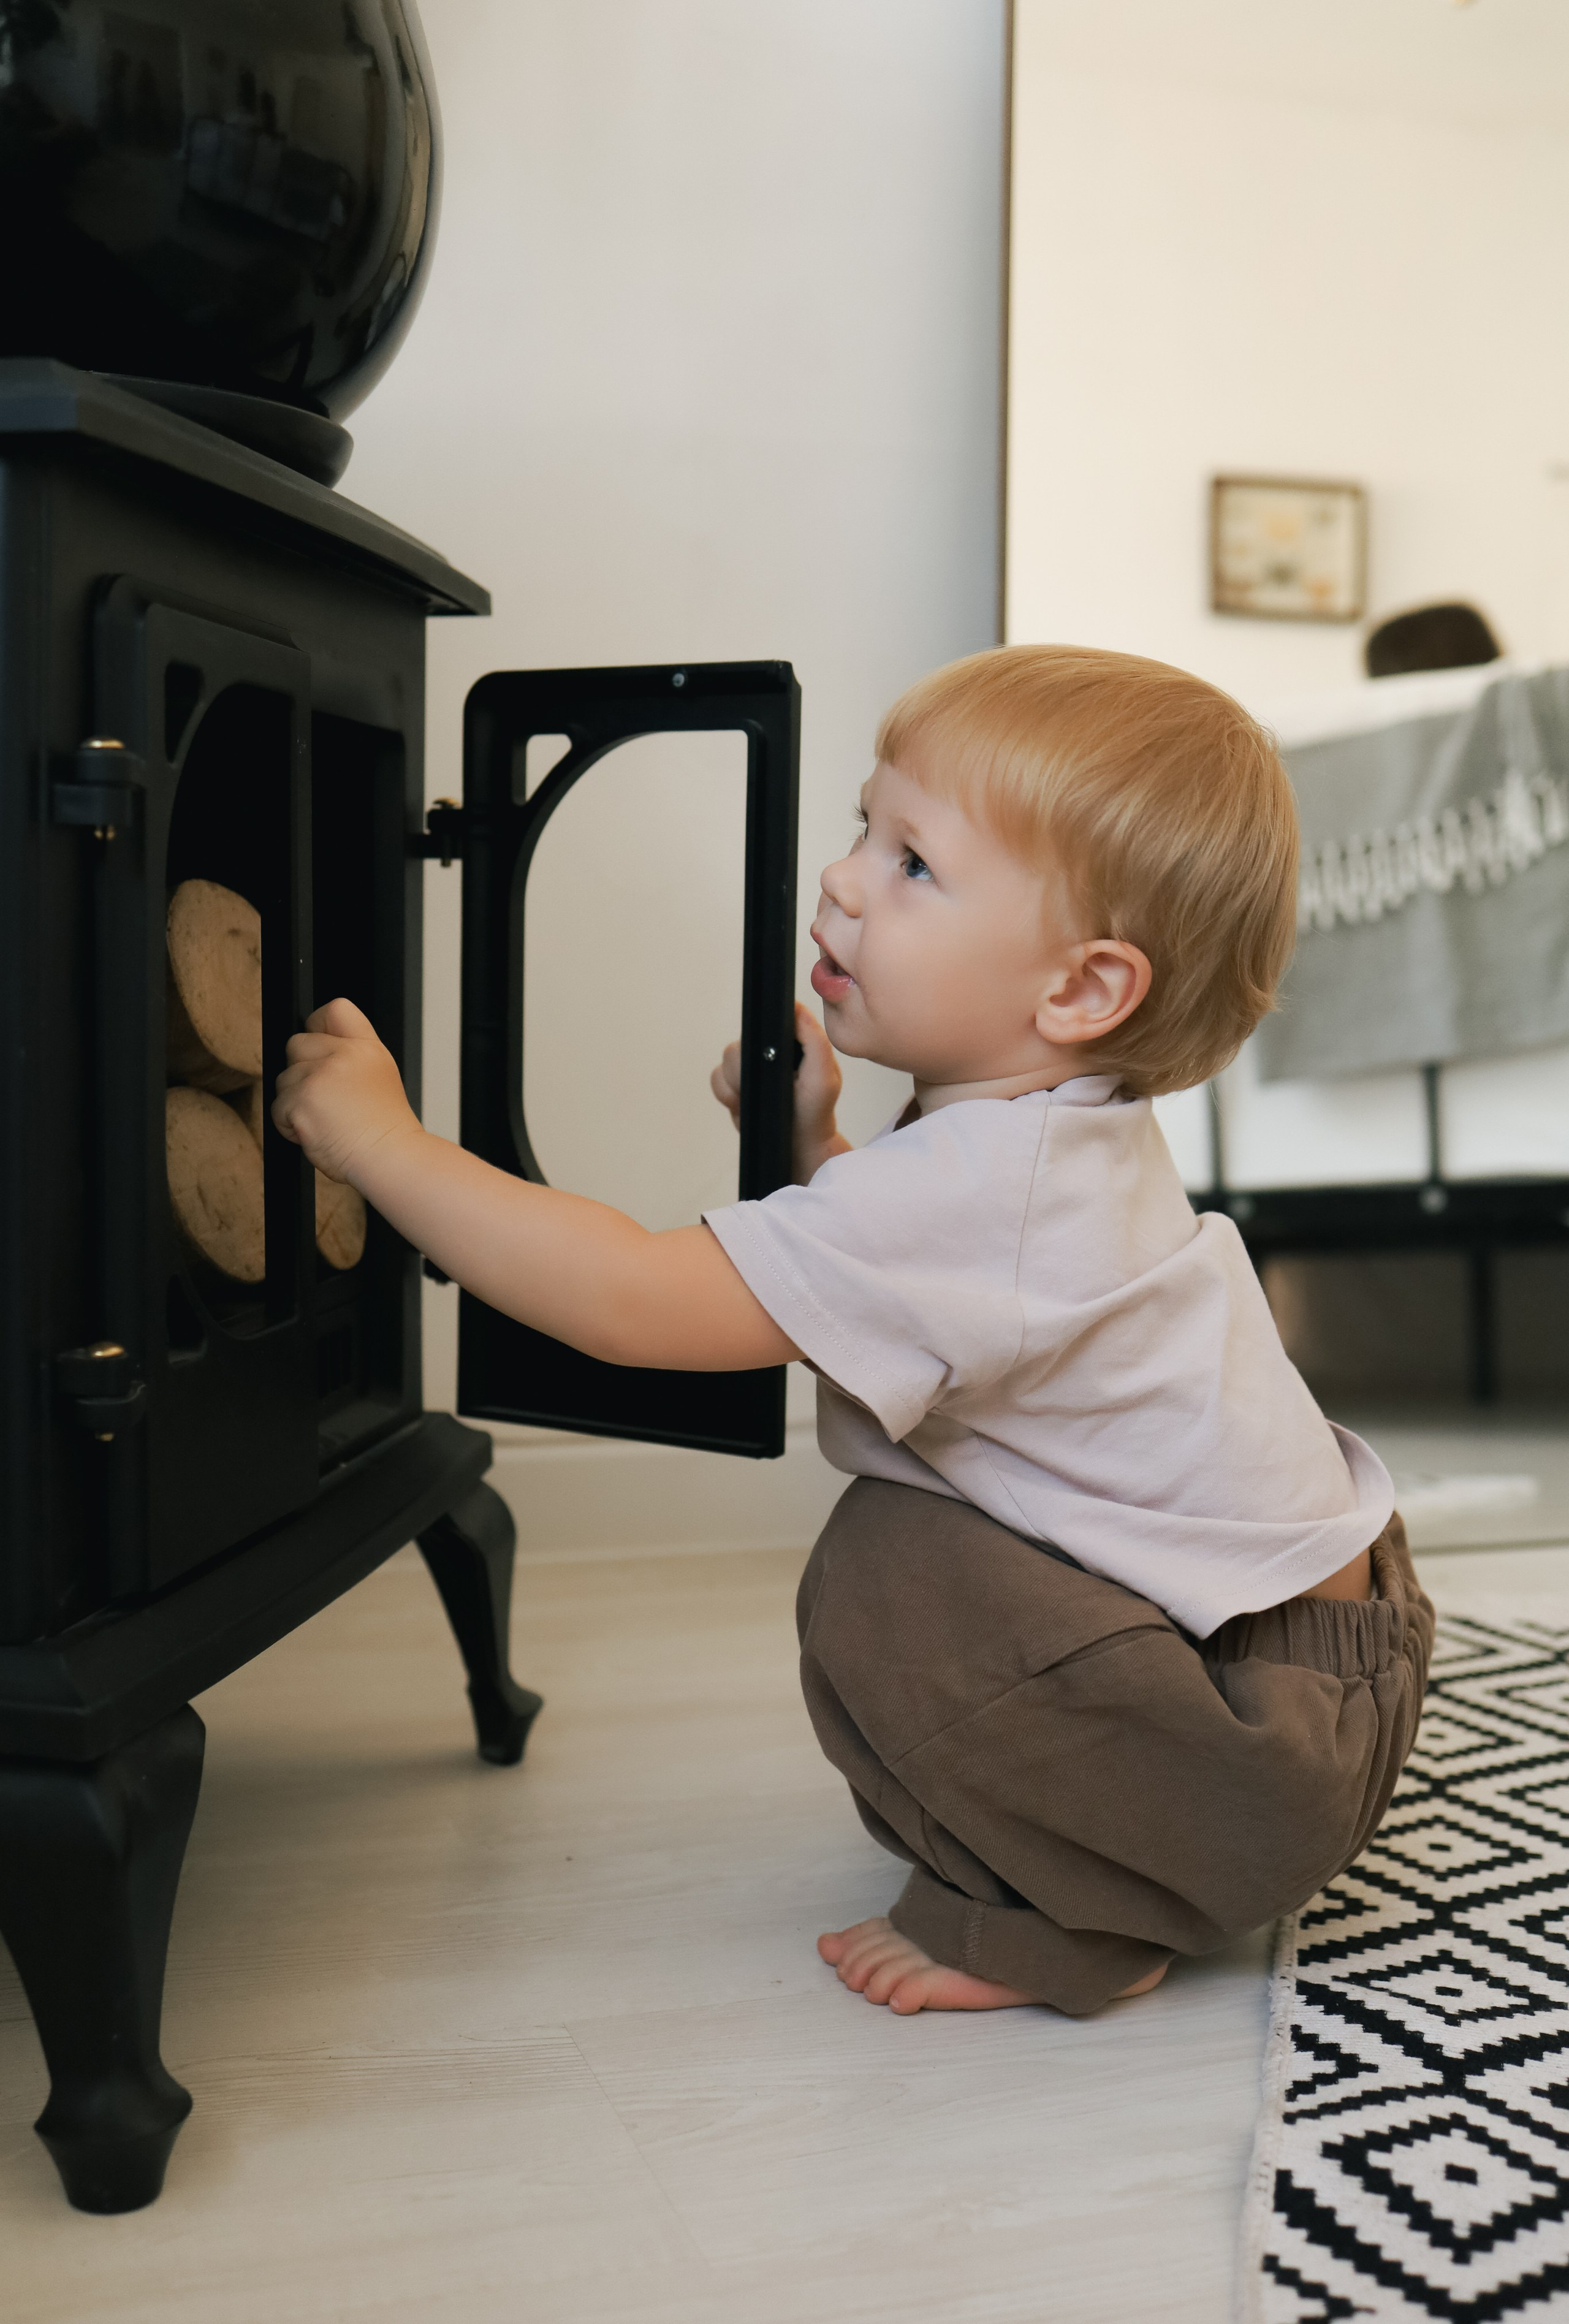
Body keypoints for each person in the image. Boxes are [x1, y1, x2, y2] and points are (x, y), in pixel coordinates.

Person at [274, 644, 1432, 2020]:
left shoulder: (980, 1188)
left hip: (1254, 1756)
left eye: (913, 865)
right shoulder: (1045, 1144)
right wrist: (822, 1144)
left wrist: (384, 1145)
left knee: (888, 1577)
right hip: (1327, 1665)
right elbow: (939, 1313)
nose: (842, 878)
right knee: (922, 1539)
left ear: (1077, 993)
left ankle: (1082, 1921)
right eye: (861, 832)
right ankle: (1127, 1833)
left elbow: (633, 1302)